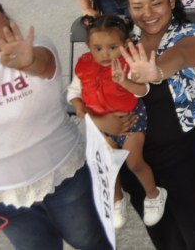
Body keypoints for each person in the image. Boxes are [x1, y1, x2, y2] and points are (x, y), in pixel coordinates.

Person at [0, 0, 110, 249]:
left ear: (3, 15)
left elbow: (44, 64)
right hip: (4, 199)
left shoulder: (36, 46)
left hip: (65, 180)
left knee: (90, 241)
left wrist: (29, 61)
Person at [105, 0, 195, 249]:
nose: (147, 13)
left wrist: (157, 71)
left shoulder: (192, 34)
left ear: (172, 1)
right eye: (137, 7)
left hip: (181, 155)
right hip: (134, 159)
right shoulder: (121, 42)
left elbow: (183, 55)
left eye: (156, 3)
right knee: (165, 238)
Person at [69, 14, 166, 229]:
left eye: (112, 47)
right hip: (100, 123)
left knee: (134, 161)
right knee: (108, 162)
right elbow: (74, 91)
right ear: (88, 46)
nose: (105, 54)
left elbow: (143, 90)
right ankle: (117, 199)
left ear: (125, 44)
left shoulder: (128, 63)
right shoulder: (84, 65)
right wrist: (78, 106)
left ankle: (154, 194)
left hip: (130, 119)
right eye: (98, 48)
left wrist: (124, 82)